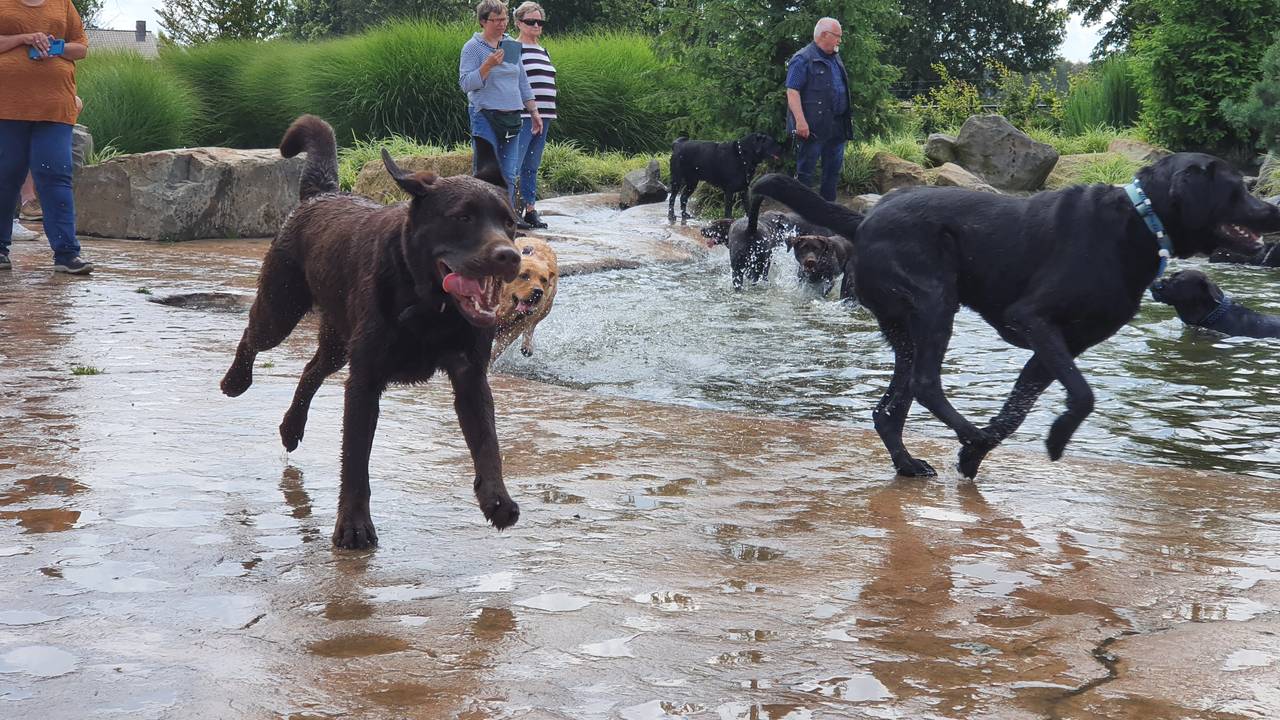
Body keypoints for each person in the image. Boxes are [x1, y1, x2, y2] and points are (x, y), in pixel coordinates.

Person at [0, 0, 92, 274]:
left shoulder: (63, 4)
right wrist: (25, 38)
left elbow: (82, 48)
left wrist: (55, 48)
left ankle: (66, 254)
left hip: (55, 108)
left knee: (55, 176)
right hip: (7, 108)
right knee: (4, 177)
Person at [459, 0, 543, 225]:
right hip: (484, 114)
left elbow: (522, 80)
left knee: (508, 170)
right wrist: (486, 66)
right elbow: (466, 83)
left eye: (504, 19)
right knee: (486, 169)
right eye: (496, 20)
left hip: (512, 115)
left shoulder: (510, 45)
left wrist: (533, 111)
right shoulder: (473, 47)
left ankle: (507, 218)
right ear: (483, 21)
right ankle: (482, 219)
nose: (501, 24)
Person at [784, 17, 853, 202]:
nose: (840, 40)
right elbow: (792, 91)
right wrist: (800, 121)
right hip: (812, 128)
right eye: (837, 36)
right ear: (824, 35)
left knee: (832, 173)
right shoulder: (802, 58)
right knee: (805, 174)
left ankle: (828, 214)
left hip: (837, 126)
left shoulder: (835, 57)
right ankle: (800, 214)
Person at [511, 1, 556, 229]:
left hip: (545, 115)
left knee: (532, 165)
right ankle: (508, 213)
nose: (536, 25)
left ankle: (530, 209)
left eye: (540, 21)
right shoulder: (513, 48)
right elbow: (509, 80)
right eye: (531, 21)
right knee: (515, 165)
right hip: (523, 115)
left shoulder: (543, 50)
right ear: (519, 23)